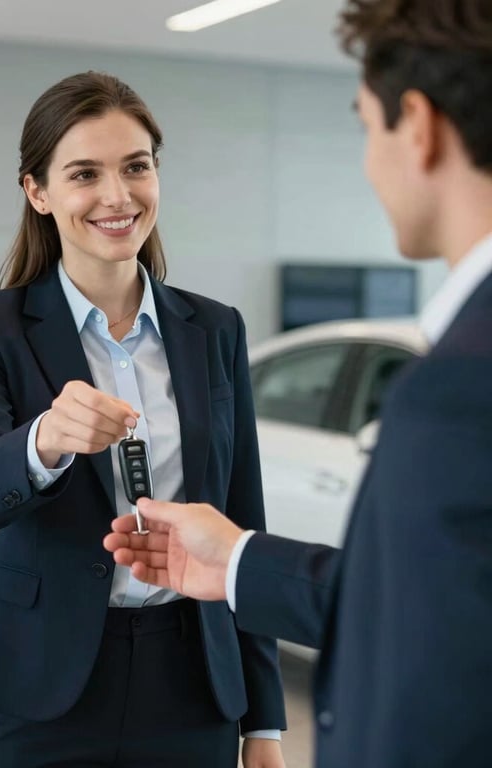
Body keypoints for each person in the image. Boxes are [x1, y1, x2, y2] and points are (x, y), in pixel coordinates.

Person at [104, 1, 492, 766]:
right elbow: (430, 603)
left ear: (418, 126)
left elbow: (436, 683)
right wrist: (241, 560)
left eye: (365, 127)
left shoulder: (459, 388)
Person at [0, 71, 287, 767]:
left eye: (136, 167)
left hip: (192, 679)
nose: (117, 196)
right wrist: (43, 442)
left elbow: (241, 520)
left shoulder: (214, 329)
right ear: (38, 192)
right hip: (39, 677)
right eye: (84, 173)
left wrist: (265, 726)